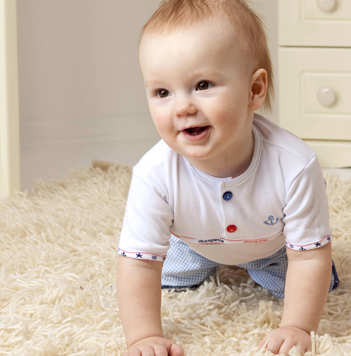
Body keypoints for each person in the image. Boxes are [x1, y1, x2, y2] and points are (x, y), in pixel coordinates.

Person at [117, 0, 339, 354]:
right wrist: (143, 337)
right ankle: (202, 265)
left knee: (319, 284)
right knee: (156, 286)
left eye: (203, 85)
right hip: (192, 243)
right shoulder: (153, 173)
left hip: (273, 247)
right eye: (162, 92)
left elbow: (308, 257)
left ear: (254, 90)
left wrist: (297, 326)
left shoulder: (295, 166)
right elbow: (139, 263)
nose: (182, 107)